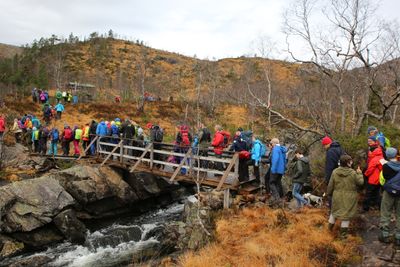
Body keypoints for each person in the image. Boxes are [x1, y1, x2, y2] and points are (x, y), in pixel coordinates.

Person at [327, 155, 364, 238]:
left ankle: (329, 230)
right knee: (346, 216)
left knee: (334, 212)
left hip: (337, 196)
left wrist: (328, 194)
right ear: (348, 163)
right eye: (350, 161)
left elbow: (330, 185)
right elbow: (360, 182)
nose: (352, 162)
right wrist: (359, 173)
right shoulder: (353, 173)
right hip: (350, 197)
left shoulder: (335, 171)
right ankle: (343, 235)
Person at [378, 147, 400, 245]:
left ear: (387, 156)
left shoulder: (385, 167)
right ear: (396, 155)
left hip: (388, 192)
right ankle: (398, 237)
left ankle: (385, 235)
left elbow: (382, 180)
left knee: (385, 212)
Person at [363, 136, 384, 212]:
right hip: (379, 178)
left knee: (368, 193)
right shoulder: (380, 155)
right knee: (377, 194)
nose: (369, 143)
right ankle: (379, 208)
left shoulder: (375, 158)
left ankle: (366, 208)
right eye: (368, 141)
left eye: (370, 141)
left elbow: (370, 169)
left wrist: (365, 174)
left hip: (372, 178)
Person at [269, 138, 287, 204]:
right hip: (281, 170)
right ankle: (281, 196)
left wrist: (273, 169)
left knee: (271, 183)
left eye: (271, 143)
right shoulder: (282, 149)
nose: (271, 145)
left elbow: (275, 159)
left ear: (274, 143)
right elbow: (285, 160)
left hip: (276, 169)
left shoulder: (276, 149)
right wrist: (284, 168)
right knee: (278, 182)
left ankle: (277, 198)